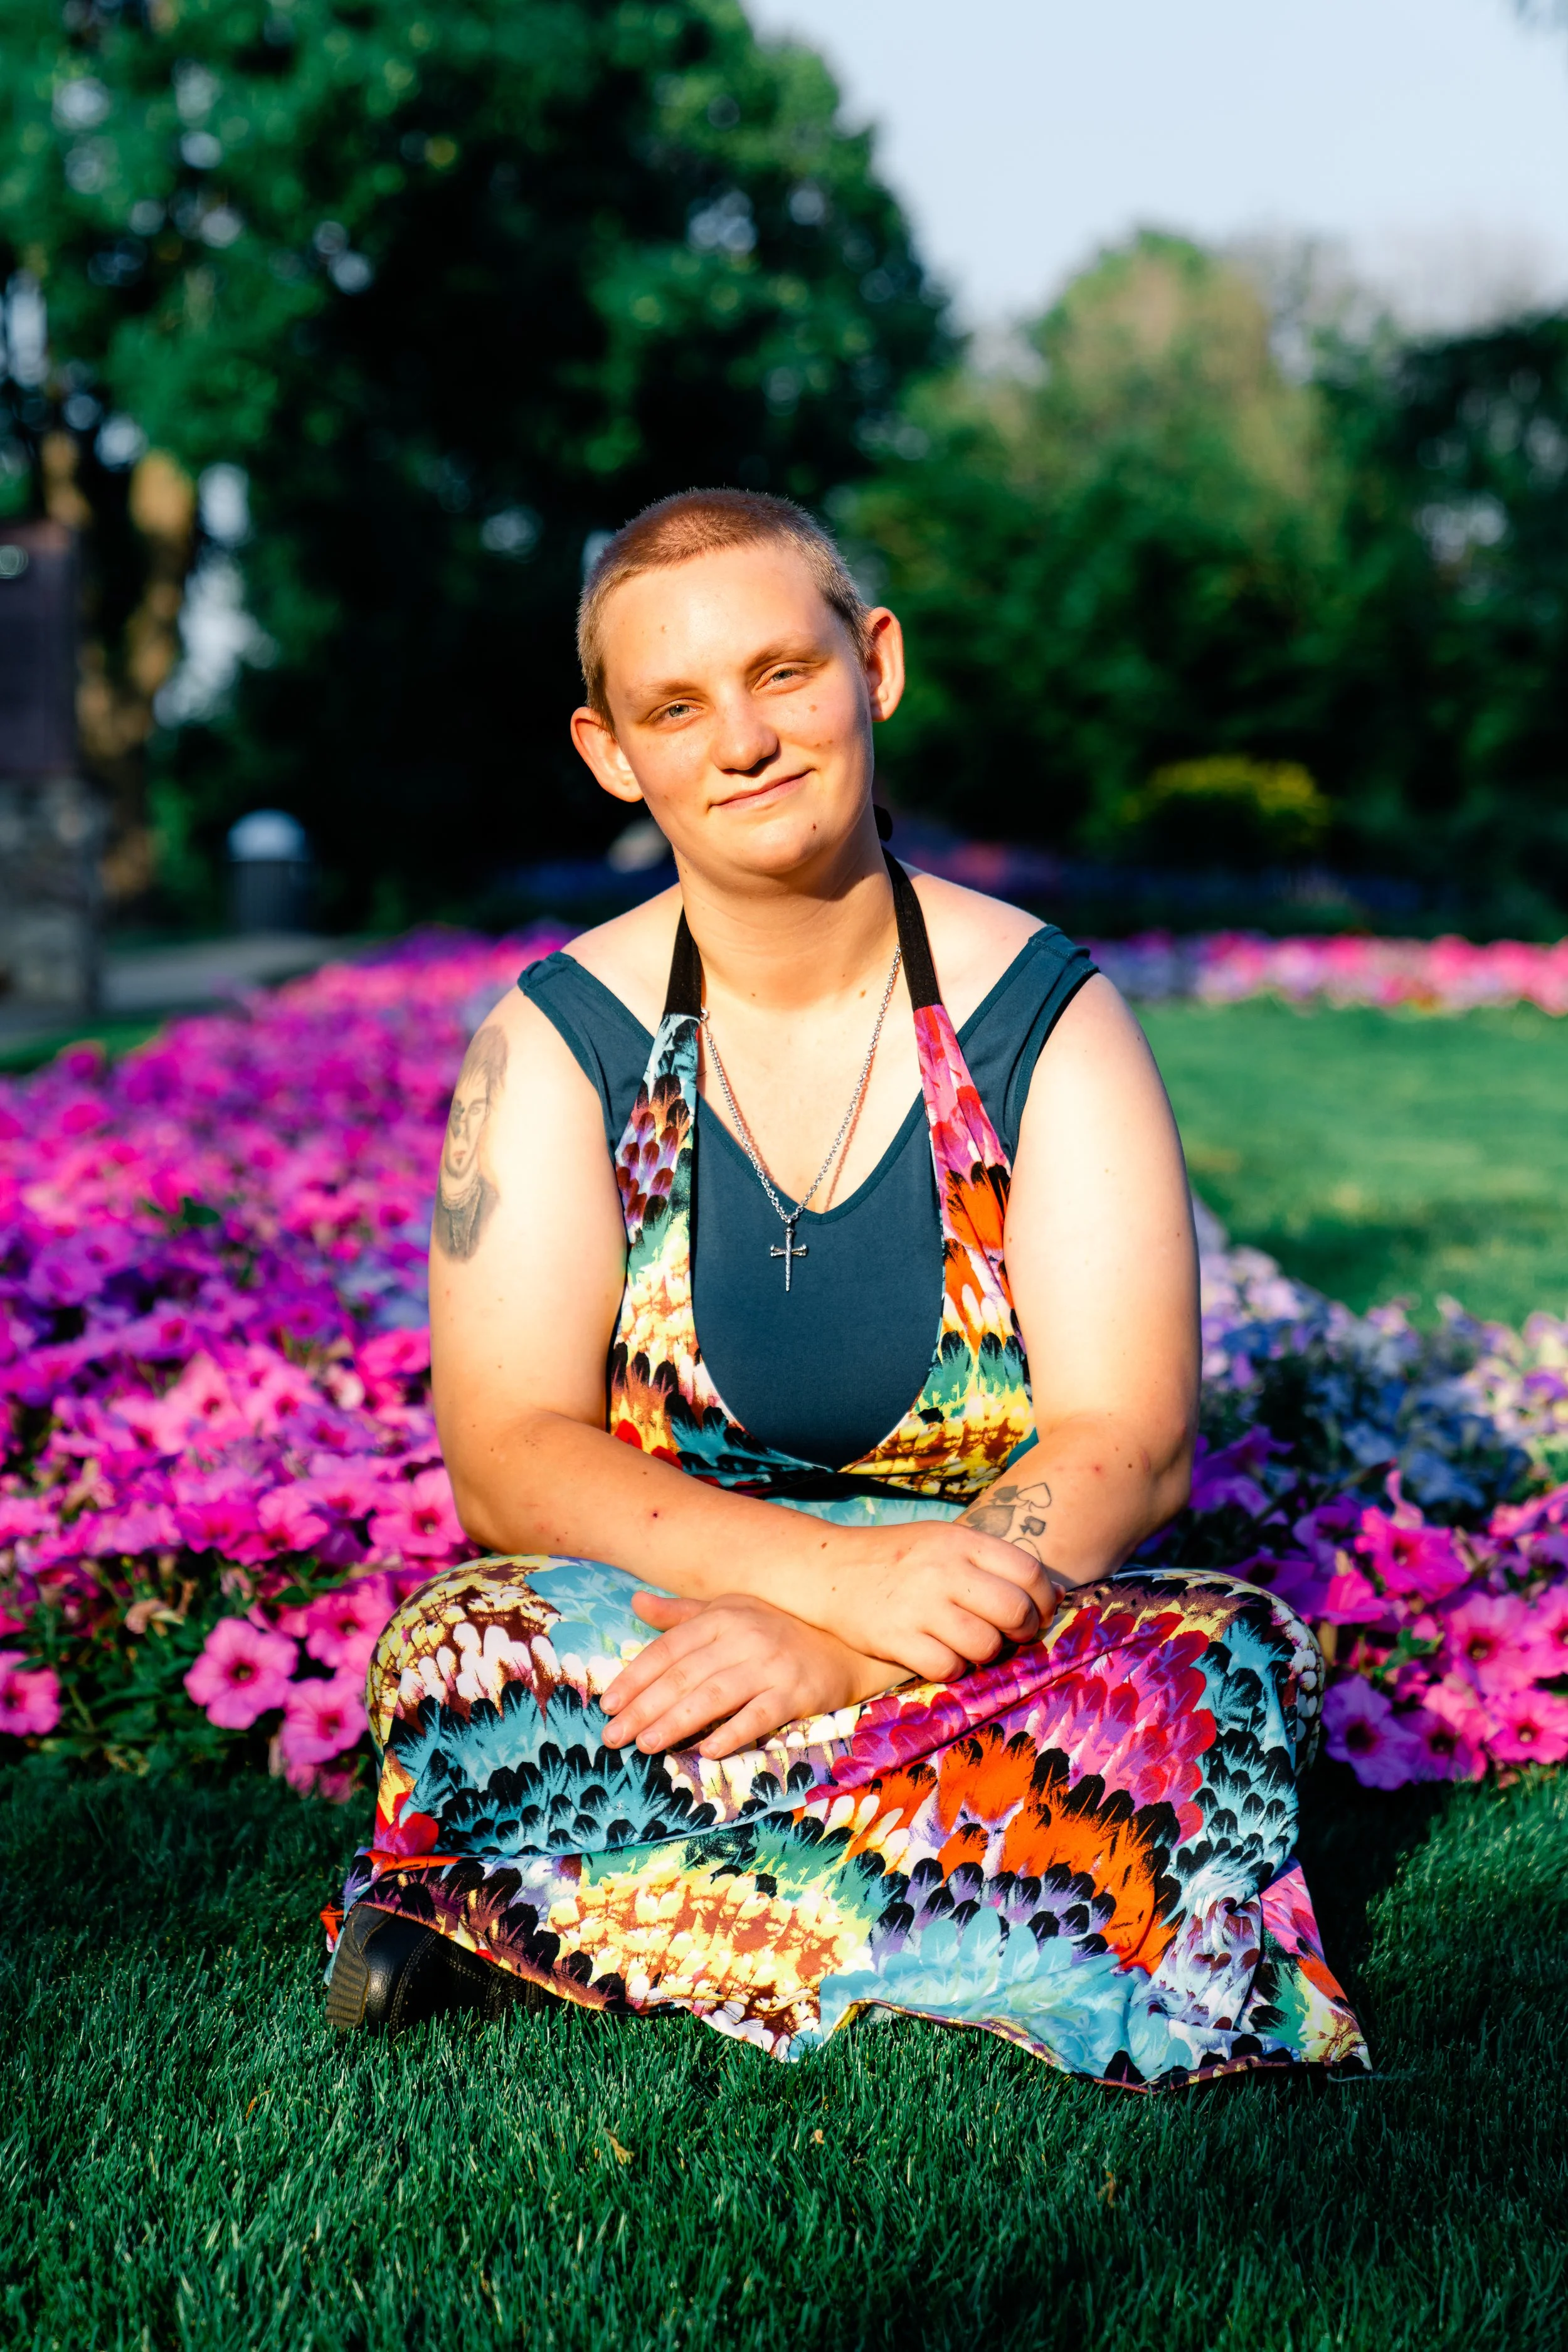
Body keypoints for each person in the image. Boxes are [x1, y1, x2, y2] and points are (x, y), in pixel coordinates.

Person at [326, 490, 1367, 2086]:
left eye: (781, 675)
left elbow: (1130, 1437)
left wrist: (859, 1649)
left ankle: (544, 1912)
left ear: (872, 664)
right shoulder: (552, 1045)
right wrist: (825, 1581)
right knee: (460, 1654)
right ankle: (1017, 1913)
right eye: (677, 707)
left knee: (1212, 1672)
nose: (742, 741)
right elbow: (510, 1455)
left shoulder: (1041, 1015)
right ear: (611, 753)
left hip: (986, 1610)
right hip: (681, 1618)